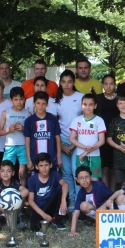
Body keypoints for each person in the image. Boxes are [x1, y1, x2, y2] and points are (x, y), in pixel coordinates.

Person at [68, 166, 125, 237]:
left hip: (111, 210)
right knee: (83, 205)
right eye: (81, 178)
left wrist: (104, 206)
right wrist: (72, 230)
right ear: (77, 180)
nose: (84, 180)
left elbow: (113, 196)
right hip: (100, 213)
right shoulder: (81, 193)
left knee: (119, 198)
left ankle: (124, 221)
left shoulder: (99, 186)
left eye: (86, 177)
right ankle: (101, 221)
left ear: (91, 177)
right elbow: (76, 212)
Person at [54, 70, 85, 208]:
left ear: (74, 82)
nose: (66, 85)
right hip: (62, 140)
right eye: (63, 82)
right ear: (60, 83)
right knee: (66, 173)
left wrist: (73, 143)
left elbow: (85, 120)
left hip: (78, 140)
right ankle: (71, 199)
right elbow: (54, 124)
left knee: (76, 171)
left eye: (70, 81)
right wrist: (61, 143)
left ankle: (80, 200)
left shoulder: (81, 97)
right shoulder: (55, 100)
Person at [69, 93, 106, 181]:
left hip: (95, 156)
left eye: (90, 104)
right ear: (81, 105)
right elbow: (71, 138)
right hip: (80, 155)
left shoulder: (99, 120)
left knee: (94, 181)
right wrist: (85, 147)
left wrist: (85, 152)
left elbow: (102, 141)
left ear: (95, 106)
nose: (87, 107)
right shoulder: (77, 120)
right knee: (83, 181)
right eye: (85, 104)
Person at [28, 153, 69, 231]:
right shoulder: (32, 180)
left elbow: (65, 184)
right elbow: (31, 201)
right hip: (39, 207)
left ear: (50, 165)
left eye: (46, 165)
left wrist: (63, 201)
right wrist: (43, 214)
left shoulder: (54, 174)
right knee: (34, 228)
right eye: (41, 165)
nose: (44, 168)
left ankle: (56, 218)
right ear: (36, 167)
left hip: (51, 204)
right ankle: (47, 217)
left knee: (63, 190)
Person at [0, 87, 30, 187]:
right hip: (10, 146)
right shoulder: (5, 113)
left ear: (24, 99)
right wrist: (8, 130)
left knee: (22, 173)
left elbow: (32, 133)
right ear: (11, 100)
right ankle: (4, 193)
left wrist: (23, 129)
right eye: (16, 99)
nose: (19, 102)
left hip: (23, 146)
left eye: (21, 99)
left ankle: (22, 197)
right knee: (5, 172)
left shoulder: (27, 113)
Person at [24, 91, 62, 171]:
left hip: (51, 159)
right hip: (35, 159)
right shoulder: (29, 121)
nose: (41, 106)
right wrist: (29, 160)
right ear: (33, 103)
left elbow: (57, 138)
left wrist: (59, 157)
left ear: (47, 104)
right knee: (37, 182)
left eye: (43, 103)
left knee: (52, 182)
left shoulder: (53, 119)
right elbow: (27, 140)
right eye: (38, 103)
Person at [0, 160, 29, 228]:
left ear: (13, 173)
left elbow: (26, 191)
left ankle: (3, 217)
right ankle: (12, 216)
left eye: (8, 171)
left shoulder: (15, 183)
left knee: (22, 197)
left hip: (14, 209)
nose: (5, 173)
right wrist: (1, 197)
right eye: (2, 171)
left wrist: (12, 196)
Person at [96, 74, 119, 190]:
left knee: (114, 169)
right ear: (102, 85)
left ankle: (112, 195)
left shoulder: (119, 98)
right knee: (105, 168)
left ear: (115, 84)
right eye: (106, 84)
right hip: (103, 137)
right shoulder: (98, 99)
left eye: (111, 84)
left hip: (117, 137)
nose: (109, 86)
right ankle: (106, 196)